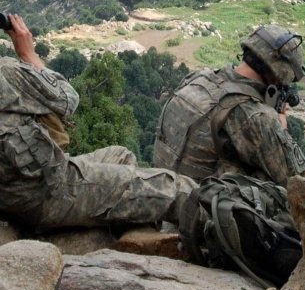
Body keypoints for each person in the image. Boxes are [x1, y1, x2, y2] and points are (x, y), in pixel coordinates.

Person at [0, 14, 197, 232]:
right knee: (175, 188)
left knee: (121, 155)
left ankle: (131, 237)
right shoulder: (7, 73)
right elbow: (68, 100)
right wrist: (29, 54)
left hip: (19, 189)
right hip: (42, 193)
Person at [153, 24, 305, 185]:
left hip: (162, 193)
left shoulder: (196, 78)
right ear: (278, 76)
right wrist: (280, 130)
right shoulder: (255, 116)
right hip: (199, 207)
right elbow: (297, 182)